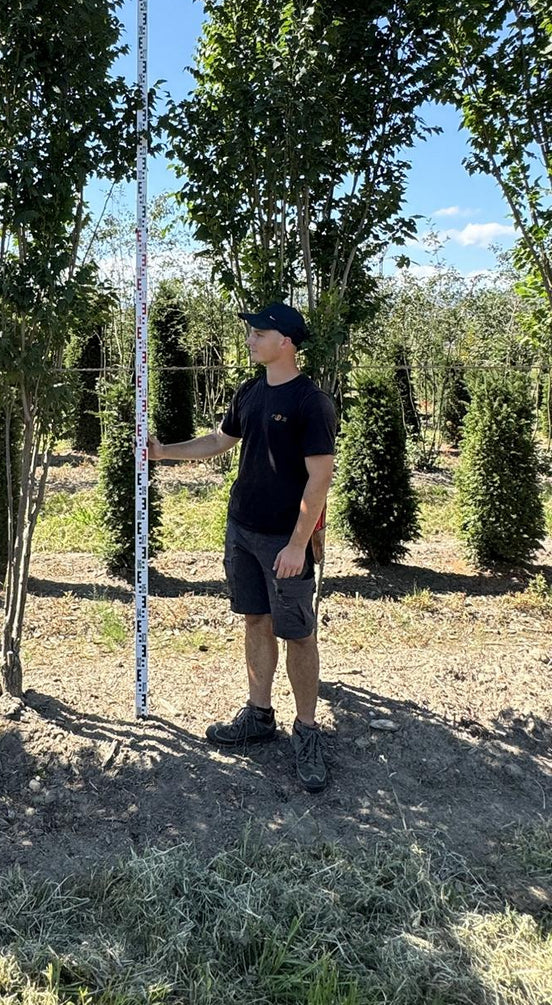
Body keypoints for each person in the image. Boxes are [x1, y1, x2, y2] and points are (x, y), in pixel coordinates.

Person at [148, 302, 336, 792]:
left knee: (297, 634)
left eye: (259, 332)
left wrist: (298, 543)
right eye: (251, 331)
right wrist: (163, 452)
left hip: (285, 540)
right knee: (255, 620)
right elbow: (218, 441)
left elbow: (320, 479)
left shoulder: (310, 402)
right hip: (243, 531)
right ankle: (259, 715)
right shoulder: (251, 391)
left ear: (287, 343)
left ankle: (308, 731)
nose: (251, 339)